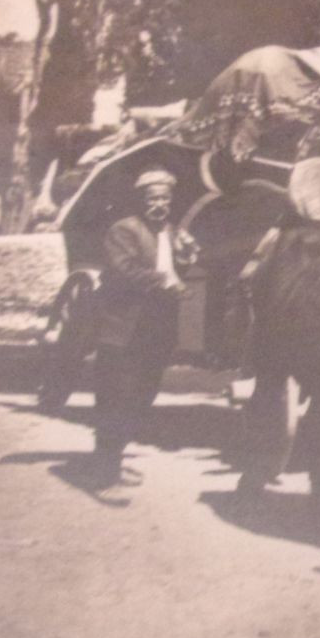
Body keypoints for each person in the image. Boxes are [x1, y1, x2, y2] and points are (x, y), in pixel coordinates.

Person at [91, 167, 198, 484]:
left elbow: (174, 268)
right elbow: (123, 271)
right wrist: (164, 280)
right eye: (153, 198)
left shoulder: (170, 231)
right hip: (123, 327)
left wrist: (186, 258)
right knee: (116, 397)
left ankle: (114, 458)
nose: (159, 204)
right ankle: (105, 470)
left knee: (142, 396)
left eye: (165, 198)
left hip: (155, 328)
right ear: (141, 201)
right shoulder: (123, 230)